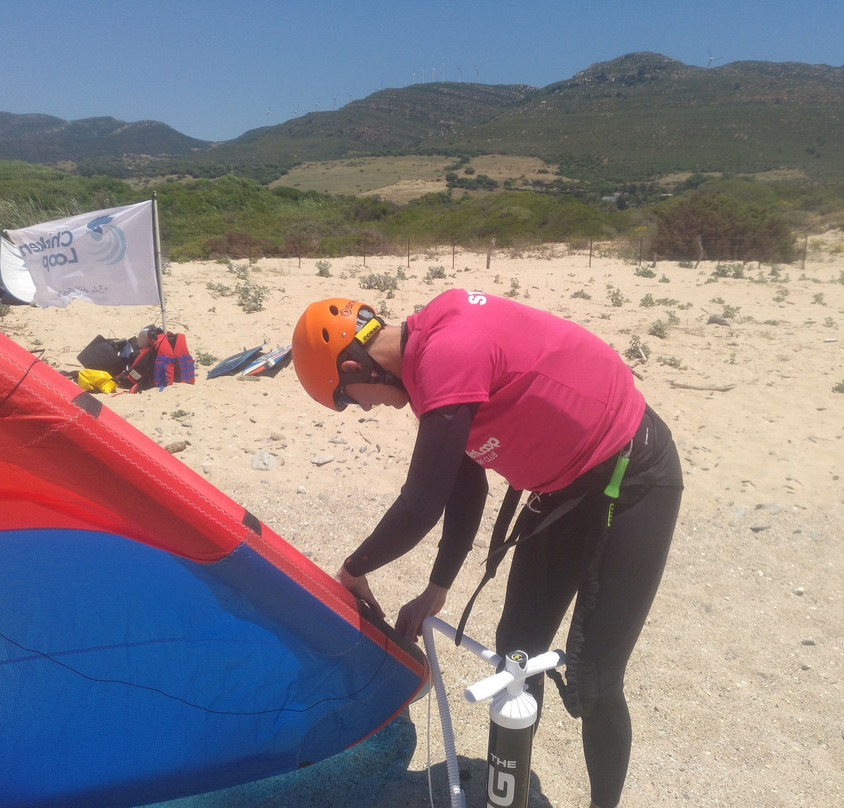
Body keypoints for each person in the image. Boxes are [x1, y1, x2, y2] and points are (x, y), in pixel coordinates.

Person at [291, 289, 683, 808]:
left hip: (633, 478)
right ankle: (508, 799)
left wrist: (351, 571)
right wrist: (437, 589)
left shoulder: (449, 353)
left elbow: (421, 501)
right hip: (561, 489)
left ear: (354, 365)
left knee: (595, 678)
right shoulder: (428, 364)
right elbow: (464, 486)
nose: (363, 408)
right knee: (516, 657)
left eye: (348, 398)